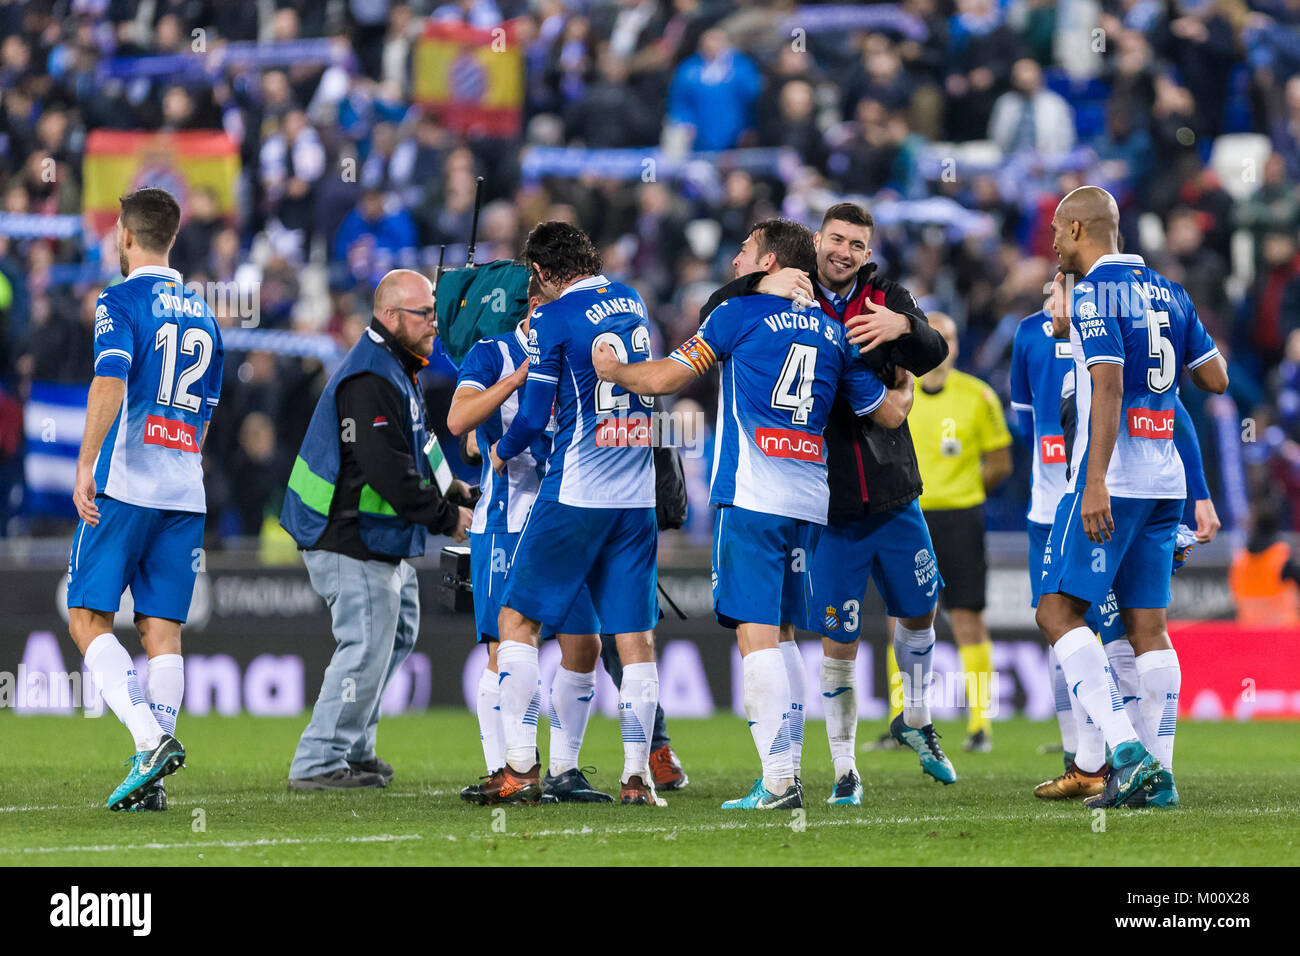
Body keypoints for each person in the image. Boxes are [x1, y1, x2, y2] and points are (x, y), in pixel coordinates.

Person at [594, 219, 910, 809]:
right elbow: (888, 414)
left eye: (743, 252)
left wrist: (613, 374)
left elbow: (667, 376)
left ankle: (778, 780)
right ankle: (787, 770)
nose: (734, 261)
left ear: (767, 262)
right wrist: (910, 378)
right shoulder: (832, 332)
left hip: (753, 497)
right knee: (786, 633)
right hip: (809, 502)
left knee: (755, 634)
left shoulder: (737, 315)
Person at [703, 202, 954, 802]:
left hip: (893, 490)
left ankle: (914, 718)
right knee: (837, 635)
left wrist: (904, 330)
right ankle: (845, 770)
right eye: (836, 240)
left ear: (869, 253)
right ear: (817, 242)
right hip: (827, 501)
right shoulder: (785, 289)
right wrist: (760, 280)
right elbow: (719, 313)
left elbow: (933, 353)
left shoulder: (886, 296)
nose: (844, 252)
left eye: (857, 245)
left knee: (920, 610)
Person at [1035, 186, 1228, 809]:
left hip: (1113, 483)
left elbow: (1110, 384)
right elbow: (1215, 378)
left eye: (1057, 233)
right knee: (1148, 628)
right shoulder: (1170, 290)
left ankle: (1124, 750)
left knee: (1056, 614)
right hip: (1165, 483)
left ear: (1074, 230)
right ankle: (1161, 777)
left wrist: (1094, 480)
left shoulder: (1092, 290)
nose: (1053, 245)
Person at [485, 222, 664, 806]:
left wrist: (502, 449)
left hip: (579, 489)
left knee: (517, 623)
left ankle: (518, 768)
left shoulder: (556, 318)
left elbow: (534, 416)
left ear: (539, 271)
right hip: (636, 496)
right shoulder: (631, 299)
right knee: (635, 640)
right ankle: (636, 777)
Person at [1012, 305, 1219, 799]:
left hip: (1098, 495)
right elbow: (1200, 389)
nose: (1052, 298)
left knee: (1067, 618)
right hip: (1132, 492)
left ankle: (1125, 753)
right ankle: (1125, 770)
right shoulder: (1041, 333)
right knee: (1133, 627)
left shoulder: (1097, 310)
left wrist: (1096, 483)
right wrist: (1198, 495)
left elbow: (1112, 398)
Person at [280, 269, 473, 790]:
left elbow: (423, 444)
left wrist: (454, 489)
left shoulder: (396, 366)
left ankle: (355, 745)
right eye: (424, 314)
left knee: (398, 631)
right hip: (347, 532)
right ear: (390, 317)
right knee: (366, 643)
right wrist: (445, 518)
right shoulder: (371, 377)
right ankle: (319, 760)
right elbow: (387, 470)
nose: (435, 323)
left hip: (373, 536)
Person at [67, 187, 222, 811]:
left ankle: (149, 739)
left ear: (125, 237)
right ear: (173, 238)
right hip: (185, 489)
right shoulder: (206, 313)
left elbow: (110, 379)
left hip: (125, 486)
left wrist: (85, 464)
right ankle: (152, 783)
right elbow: (206, 416)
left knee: (87, 618)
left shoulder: (120, 299)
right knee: (163, 631)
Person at [447, 276, 610, 804]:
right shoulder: (491, 351)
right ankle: (507, 769)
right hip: (506, 517)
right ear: (538, 305)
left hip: (568, 515)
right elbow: (458, 420)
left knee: (585, 646)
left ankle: (565, 770)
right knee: (506, 648)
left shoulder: (582, 350)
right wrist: (515, 381)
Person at [906, 314, 1012, 753]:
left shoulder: (978, 395)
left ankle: (980, 725)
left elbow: (1001, 462)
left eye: (948, 337)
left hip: (961, 519)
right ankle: (909, 721)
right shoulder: (899, 392)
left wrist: (965, 492)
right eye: (934, 337)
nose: (941, 346)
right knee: (906, 620)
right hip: (910, 518)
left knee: (968, 617)